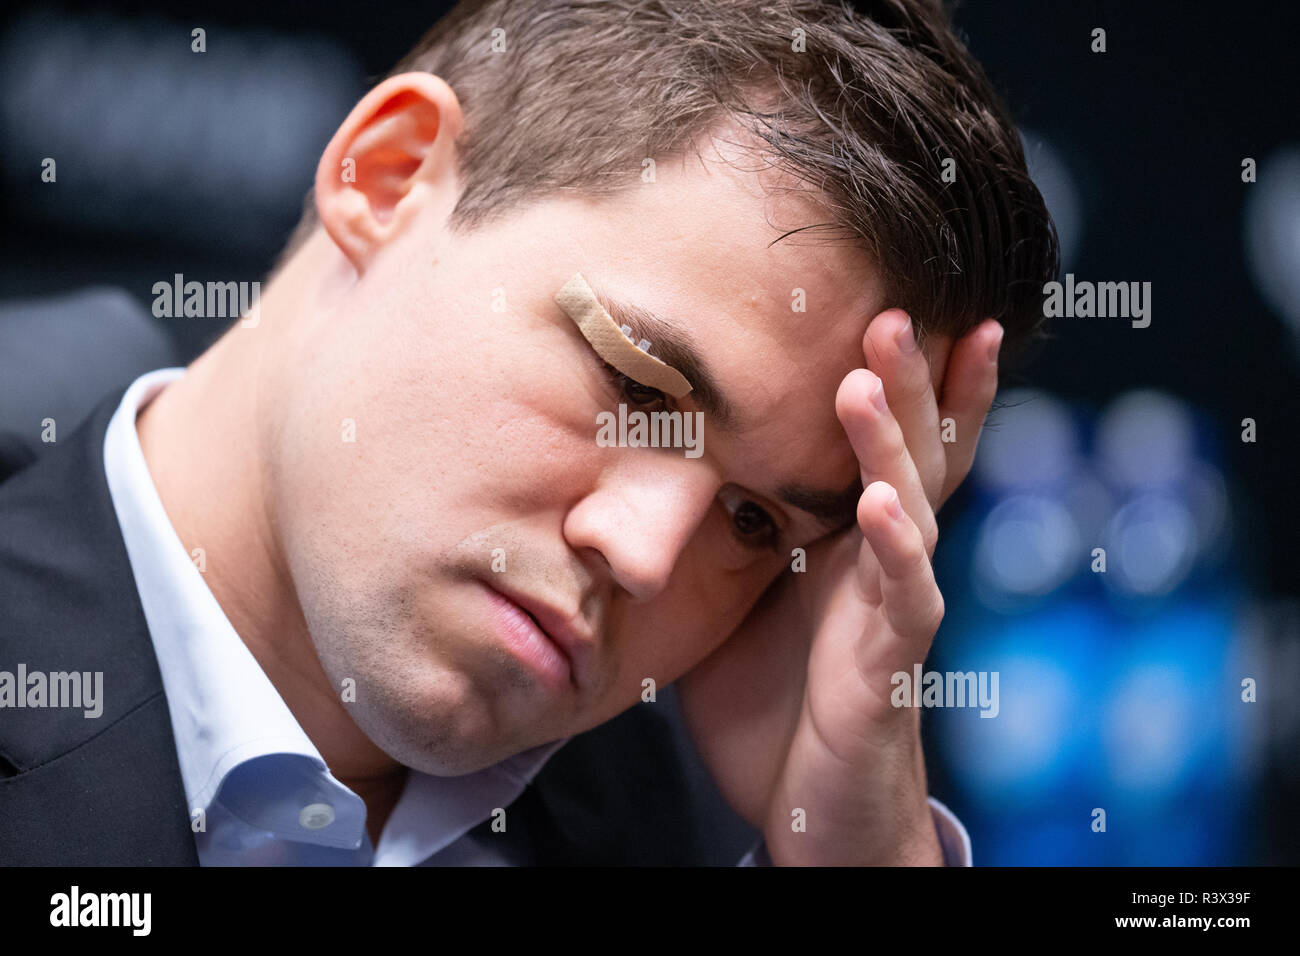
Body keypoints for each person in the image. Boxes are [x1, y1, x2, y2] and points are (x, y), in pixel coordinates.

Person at [0, 0, 1056, 865]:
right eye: (637, 387)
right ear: (393, 174)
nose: (644, 556)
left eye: (750, 519)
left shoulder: (701, 830)